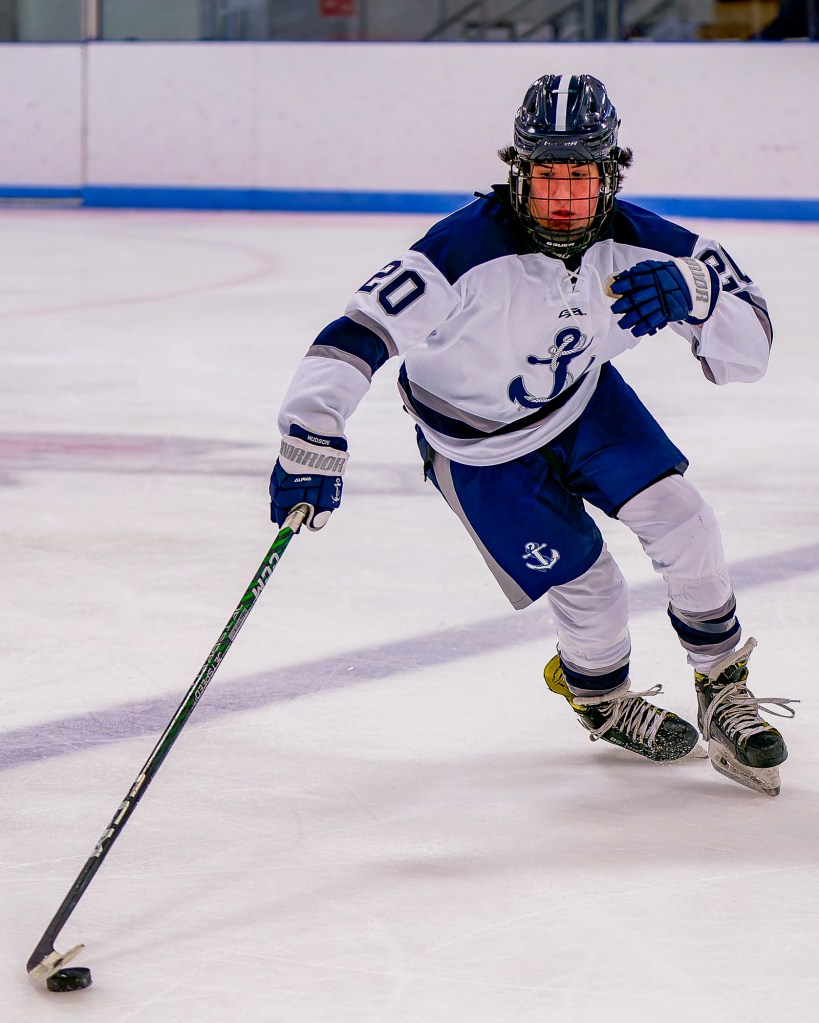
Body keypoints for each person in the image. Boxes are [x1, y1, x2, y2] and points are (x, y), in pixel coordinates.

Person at [270, 74, 796, 797]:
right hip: (477, 449)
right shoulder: (459, 250)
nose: (563, 200)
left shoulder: (645, 243)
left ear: (612, 176)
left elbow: (750, 353)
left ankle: (722, 685)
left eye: (581, 179)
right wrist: (310, 434)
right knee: (592, 588)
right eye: (548, 178)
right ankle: (599, 697)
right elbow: (355, 335)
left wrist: (701, 296)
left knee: (685, 520)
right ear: (517, 173)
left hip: (584, 404)